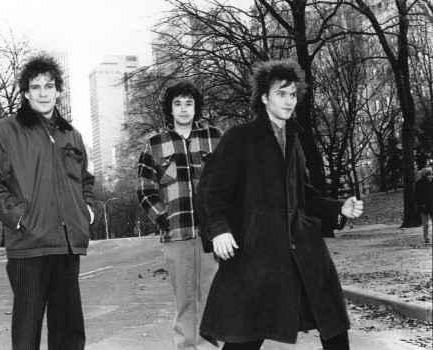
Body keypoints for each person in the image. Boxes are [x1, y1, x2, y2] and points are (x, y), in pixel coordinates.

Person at [196, 60, 364, 350]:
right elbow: (210, 191)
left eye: (293, 94)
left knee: (332, 321)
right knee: (245, 334)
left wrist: (338, 208)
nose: (289, 101)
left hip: (301, 246)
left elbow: (305, 195)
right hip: (257, 252)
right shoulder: (240, 137)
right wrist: (219, 229)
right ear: (264, 97)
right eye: (281, 94)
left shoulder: (294, 140)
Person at [0, 53, 95, 350]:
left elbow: (86, 180)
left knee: (69, 332)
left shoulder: (72, 134)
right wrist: (19, 216)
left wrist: (87, 210)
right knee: (27, 333)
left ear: (58, 91)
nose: (43, 92)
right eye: (36, 87)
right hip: (28, 246)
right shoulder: (3, 131)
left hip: (67, 245)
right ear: (26, 93)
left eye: (49, 86)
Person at [137, 80, 222, 349]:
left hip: (213, 234)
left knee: (213, 296)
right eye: (178, 104)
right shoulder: (154, 144)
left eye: (189, 103)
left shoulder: (215, 137)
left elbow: (231, 182)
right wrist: (162, 217)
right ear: (170, 109)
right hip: (176, 234)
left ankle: (211, 346)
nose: (183, 109)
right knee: (184, 299)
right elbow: (144, 189)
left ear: (196, 107)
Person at [415, 167, 433, 244]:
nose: (431, 176)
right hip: (423, 206)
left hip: (432, 206)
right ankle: (426, 238)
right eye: (429, 175)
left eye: (431, 174)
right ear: (425, 175)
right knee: (425, 224)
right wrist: (421, 204)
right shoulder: (419, 183)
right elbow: (416, 195)